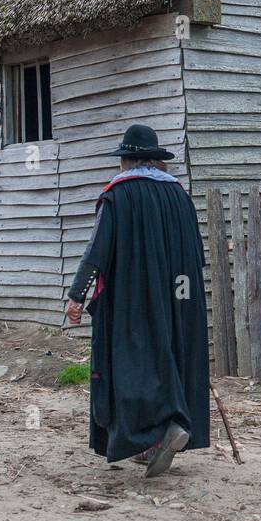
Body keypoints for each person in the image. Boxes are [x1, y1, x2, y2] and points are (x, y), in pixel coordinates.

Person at [64, 124, 209, 478]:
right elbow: (196, 253)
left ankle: (152, 434)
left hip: (133, 299)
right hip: (181, 296)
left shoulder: (119, 194)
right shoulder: (179, 195)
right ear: (154, 160)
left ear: (126, 160)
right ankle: (161, 435)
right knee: (171, 357)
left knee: (132, 365)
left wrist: (76, 295)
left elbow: (97, 249)